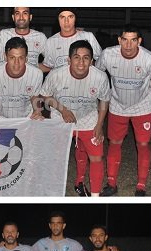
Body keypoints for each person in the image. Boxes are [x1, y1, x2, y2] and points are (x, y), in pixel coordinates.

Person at [96, 24, 151, 196]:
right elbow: (96, 74)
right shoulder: (108, 55)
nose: (128, 45)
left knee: (143, 144)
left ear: (139, 41)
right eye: (125, 40)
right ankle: (111, 183)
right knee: (114, 143)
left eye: (133, 40)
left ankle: (141, 185)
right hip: (117, 105)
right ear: (119, 40)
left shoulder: (150, 59)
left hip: (142, 107)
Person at [40, 40, 110, 197]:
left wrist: (100, 125)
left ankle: (94, 196)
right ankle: (52, 191)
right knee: (56, 157)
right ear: (69, 60)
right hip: (61, 120)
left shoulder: (100, 77)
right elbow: (45, 95)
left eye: (86, 58)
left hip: (88, 120)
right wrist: (63, 110)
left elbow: (104, 101)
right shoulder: (56, 74)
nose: (81, 62)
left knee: (96, 157)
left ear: (91, 61)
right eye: (77, 57)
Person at [0, 37, 43, 120]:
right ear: (5, 57)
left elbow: (35, 97)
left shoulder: (37, 74)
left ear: (26, 58)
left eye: (21, 58)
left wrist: (37, 111)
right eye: (12, 57)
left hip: (26, 117)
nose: (16, 63)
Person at [0, 7, 48, 72]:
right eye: (17, 13)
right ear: (13, 17)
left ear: (30, 17)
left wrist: (34, 69)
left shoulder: (40, 37)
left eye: (25, 13)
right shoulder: (2, 35)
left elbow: (52, 62)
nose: (21, 17)